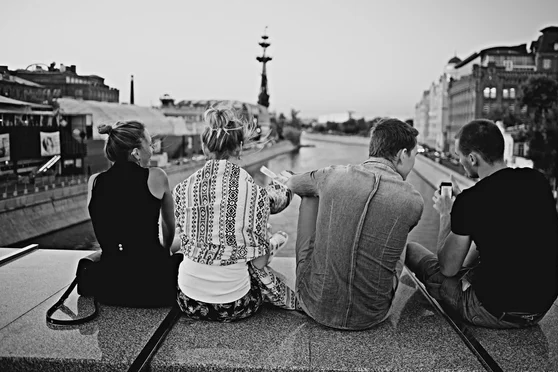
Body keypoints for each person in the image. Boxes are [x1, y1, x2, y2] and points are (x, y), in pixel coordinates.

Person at [405, 119, 558, 329]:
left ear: (472, 158)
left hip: (492, 310)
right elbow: (505, 228)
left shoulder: (472, 199)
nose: (460, 162)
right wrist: (464, 212)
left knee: (413, 252)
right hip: (539, 309)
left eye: (460, 157)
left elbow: (448, 268)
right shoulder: (538, 181)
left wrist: (448, 214)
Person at [285, 118, 424, 330]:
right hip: (373, 315)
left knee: (310, 193)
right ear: (402, 154)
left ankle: (316, 281)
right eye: (414, 155)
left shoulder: (332, 175)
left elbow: (293, 183)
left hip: (314, 305)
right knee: (396, 229)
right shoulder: (413, 200)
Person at [172, 106, 295, 323]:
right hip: (234, 306)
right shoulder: (255, 194)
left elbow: (183, 241)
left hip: (188, 301)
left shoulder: (182, 190)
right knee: (256, 256)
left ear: (203, 145)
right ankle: (275, 242)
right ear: (239, 148)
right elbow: (259, 262)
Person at [87, 121, 182, 307]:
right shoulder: (156, 176)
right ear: (136, 152)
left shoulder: (94, 181)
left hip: (109, 288)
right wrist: (164, 250)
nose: (152, 148)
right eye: (149, 143)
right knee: (181, 244)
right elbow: (169, 226)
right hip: (153, 287)